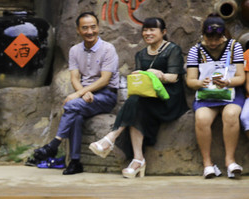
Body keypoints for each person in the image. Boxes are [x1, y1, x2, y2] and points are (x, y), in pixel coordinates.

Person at [88, 17, 188, 178]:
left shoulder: (172, 49)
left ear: (163, 32)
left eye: (152, 30)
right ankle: (137, 159)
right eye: (145, 30)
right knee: (136, 102)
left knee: (136, 103)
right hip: (148, 96)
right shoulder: (141, 54)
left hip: (169, 98)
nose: (147, 33)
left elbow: (174, 77)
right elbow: (142, 81)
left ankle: (111, 138)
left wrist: (158, 74)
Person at [29, 11, 119, 175]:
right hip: (86, 95)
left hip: (106, 95)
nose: (90, 31)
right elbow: (74, 78)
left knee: (71, 104)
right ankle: (75, 162)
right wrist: (82, 93)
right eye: (85, 28)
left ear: (98, 27)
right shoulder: (75, 51)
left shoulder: (108, 49)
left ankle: (54, 145)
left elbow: (105, 79)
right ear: (78, 30)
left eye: (93, 27)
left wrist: (80, 93)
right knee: (75, 115)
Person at [185, 14, 246, 179]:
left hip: (231, 93)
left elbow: (241, 77)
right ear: (203, 35)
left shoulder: (234, 47)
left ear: (223, 35)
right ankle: (207, 164)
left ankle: (230, 161)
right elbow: (190, 80)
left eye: (217, 39)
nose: (212, 42)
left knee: (231, 114)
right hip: (206, 95)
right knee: (202, 118)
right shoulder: (195, 50)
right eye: (208, 38)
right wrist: (200, 83)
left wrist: (227, 82)